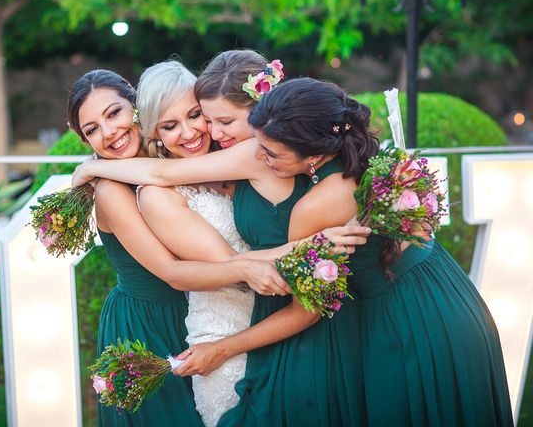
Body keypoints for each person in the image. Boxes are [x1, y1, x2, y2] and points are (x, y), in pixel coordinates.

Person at [71, 54, 371, 425]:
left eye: (197, 116)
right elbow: (218, 265)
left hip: (287, 313)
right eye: (169, 125)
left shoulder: (236, 155)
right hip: (226, 316)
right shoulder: (150, 191)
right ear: (152, 127)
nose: (192, 132)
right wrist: (312, 247)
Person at [236, 77, 514, 426]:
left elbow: (305, 311)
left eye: (271, 152)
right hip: (449, 298)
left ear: (316, 154)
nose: (258, 157)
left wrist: (225, 347)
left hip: (407, 328)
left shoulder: (314, 208)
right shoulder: (375, 158)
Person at [67, 69, 289, 427]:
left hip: (205, 307)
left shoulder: (176, 157)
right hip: (151, 321)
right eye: (92, 129)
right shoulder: (111, 190)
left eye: (113, 113)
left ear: (138, 109)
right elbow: (172, 271)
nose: (108, 132)